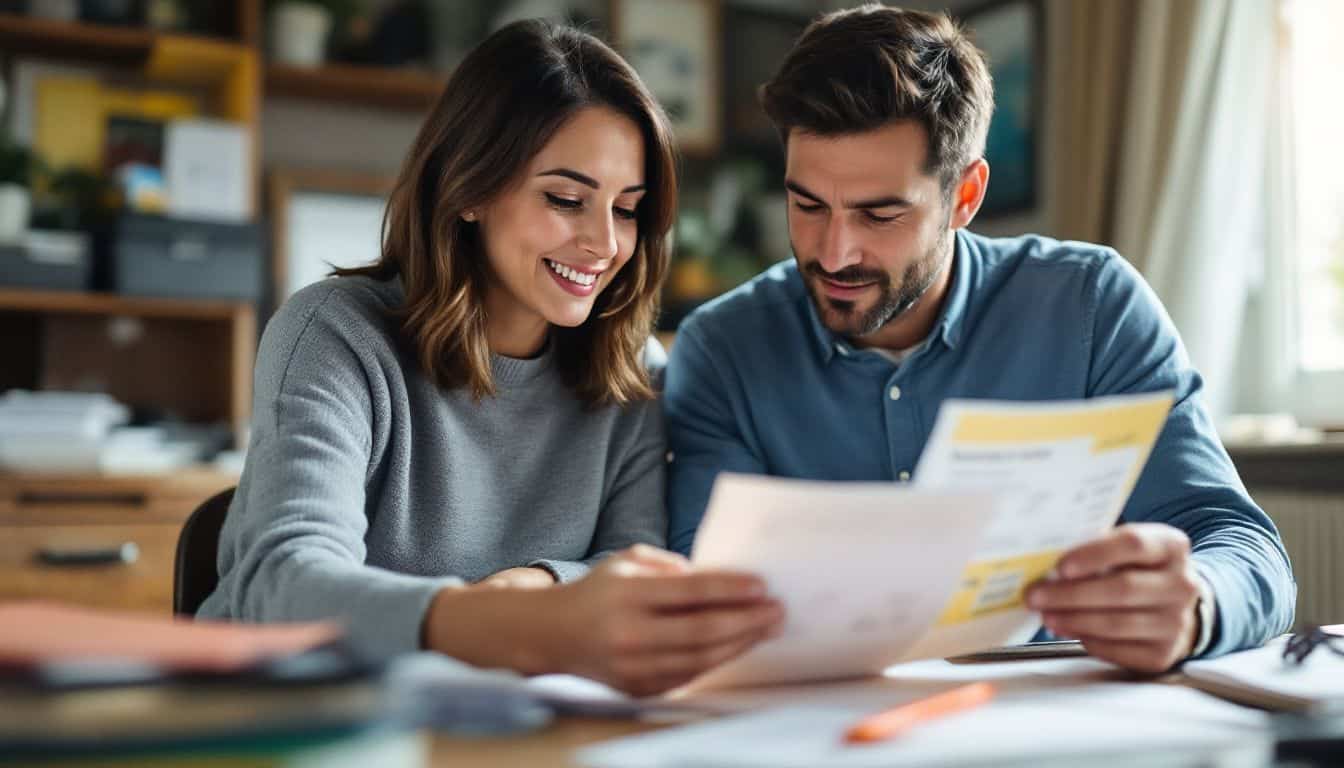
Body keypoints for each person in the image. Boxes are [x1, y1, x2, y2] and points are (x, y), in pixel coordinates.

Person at [664, 4, 1294, 673]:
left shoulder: (1091, 307)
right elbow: (698, 594)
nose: (835, 251)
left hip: (1049, 717)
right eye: (807, 204)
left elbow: (1243, 546)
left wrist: (1193, 602)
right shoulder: (721, 350)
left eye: (880, 213)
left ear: (965, 196)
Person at [200, 20, 782, 696]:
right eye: (566, 199)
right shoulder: (334, 334)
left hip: (494, 721)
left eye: (627, 210)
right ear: (469, 188)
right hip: (289, 714)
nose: (603, 243)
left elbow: (632, 560)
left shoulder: (633, 367)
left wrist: (537, 585)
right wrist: (507, 618)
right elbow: (283, 583)